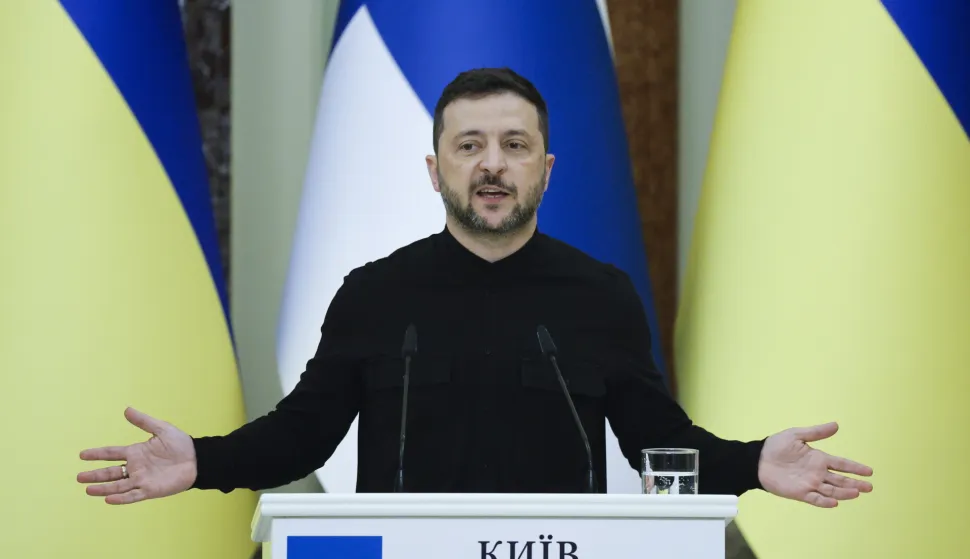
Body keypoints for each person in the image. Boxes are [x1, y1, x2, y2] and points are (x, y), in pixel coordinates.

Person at [77, 67, 872, 507]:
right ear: (436, 169)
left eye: (515, 144)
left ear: (546, 169)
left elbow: (657, 442)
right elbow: (302, 435)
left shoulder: (601, 296)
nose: (492, 164)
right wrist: (201, 461)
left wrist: (752, 463)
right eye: (469, 145)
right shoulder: (374, 294)